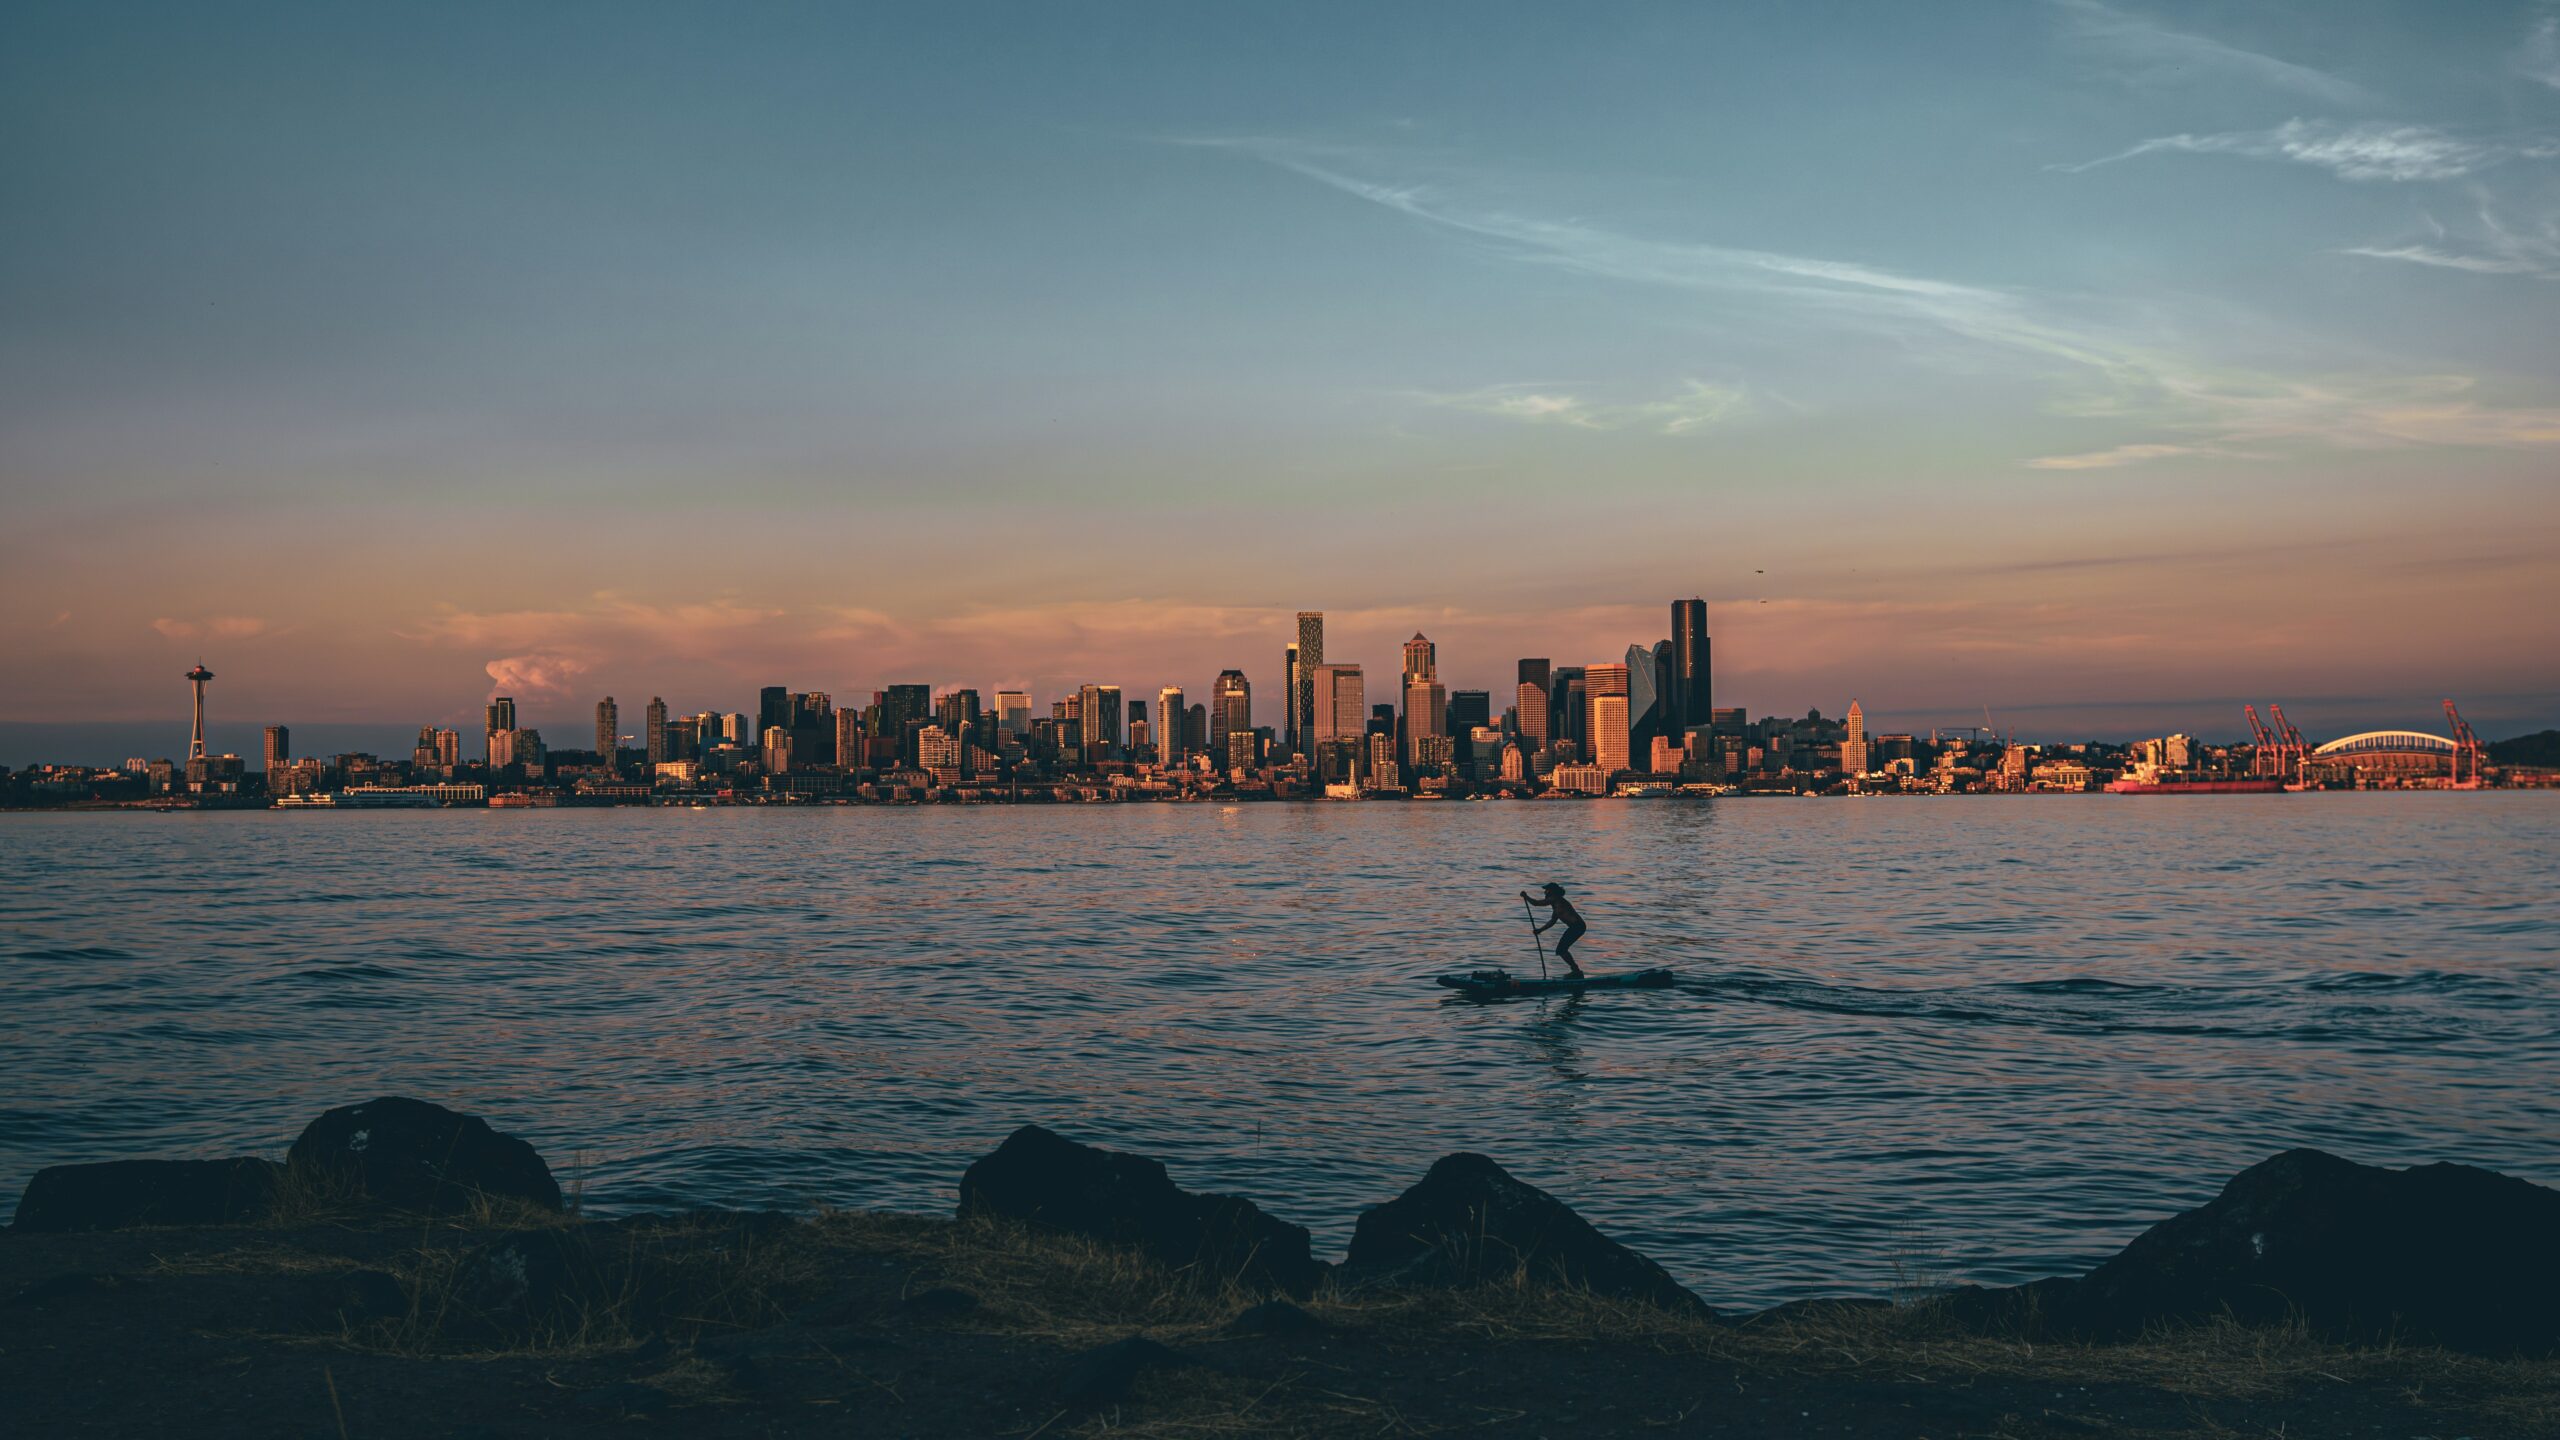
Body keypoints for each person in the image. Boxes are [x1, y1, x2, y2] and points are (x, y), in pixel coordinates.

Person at [1520, 882, 1588, 977]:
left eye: (1546, 890)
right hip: (1576, 927)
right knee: (1561, 949)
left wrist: (1526, 897)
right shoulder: (1556, 906)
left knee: (1561, 949)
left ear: (1551, 892)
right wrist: (1540, 930)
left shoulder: (1556, 899)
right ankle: (1576, 971)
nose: (1545, 892)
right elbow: (1552, 921)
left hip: (1577, 926)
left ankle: (1576, 972)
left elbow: (1536, 903)